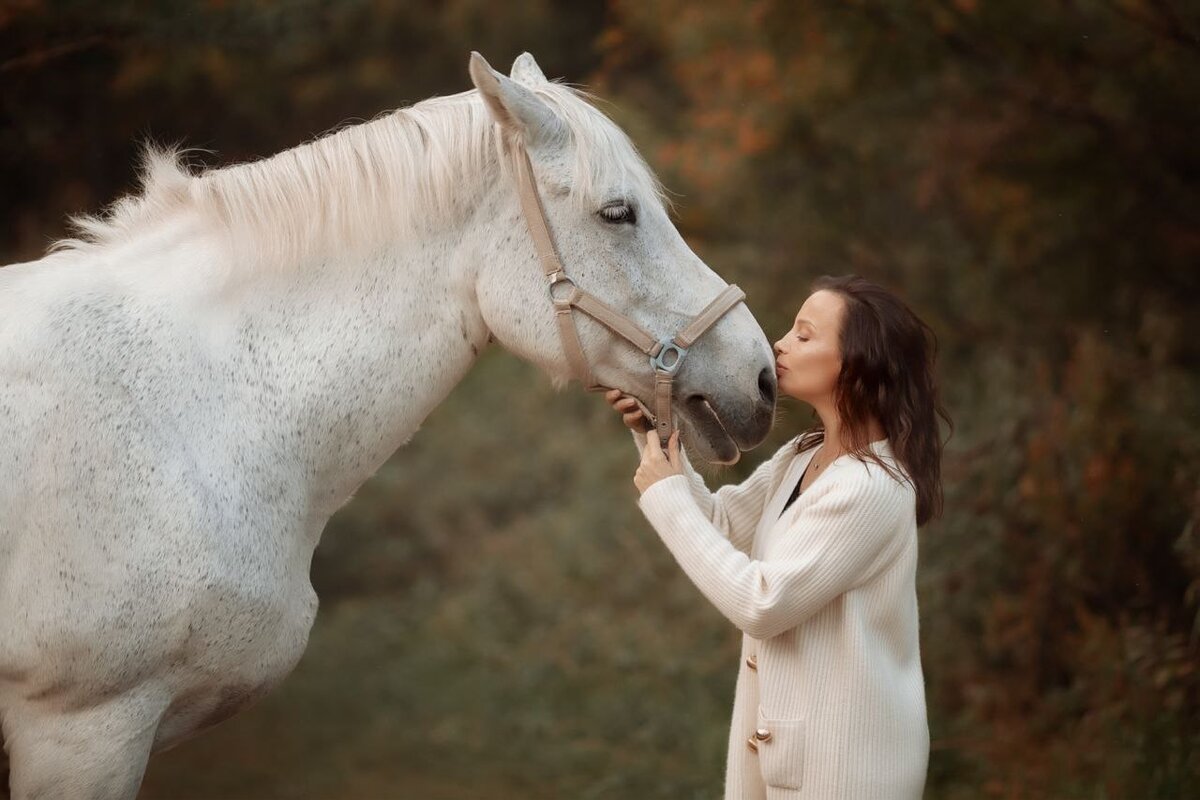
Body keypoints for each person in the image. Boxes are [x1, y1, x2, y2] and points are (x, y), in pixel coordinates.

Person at [606, 274, 950, 799]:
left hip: (845, 773)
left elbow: (763, 603)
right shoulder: (804, 457)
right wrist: (652, 432)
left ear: (855, 364)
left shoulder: (872, 487)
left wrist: (666, 495)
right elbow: (720, 525)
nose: (780, 344)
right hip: (789, 761)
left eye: (805, 336)